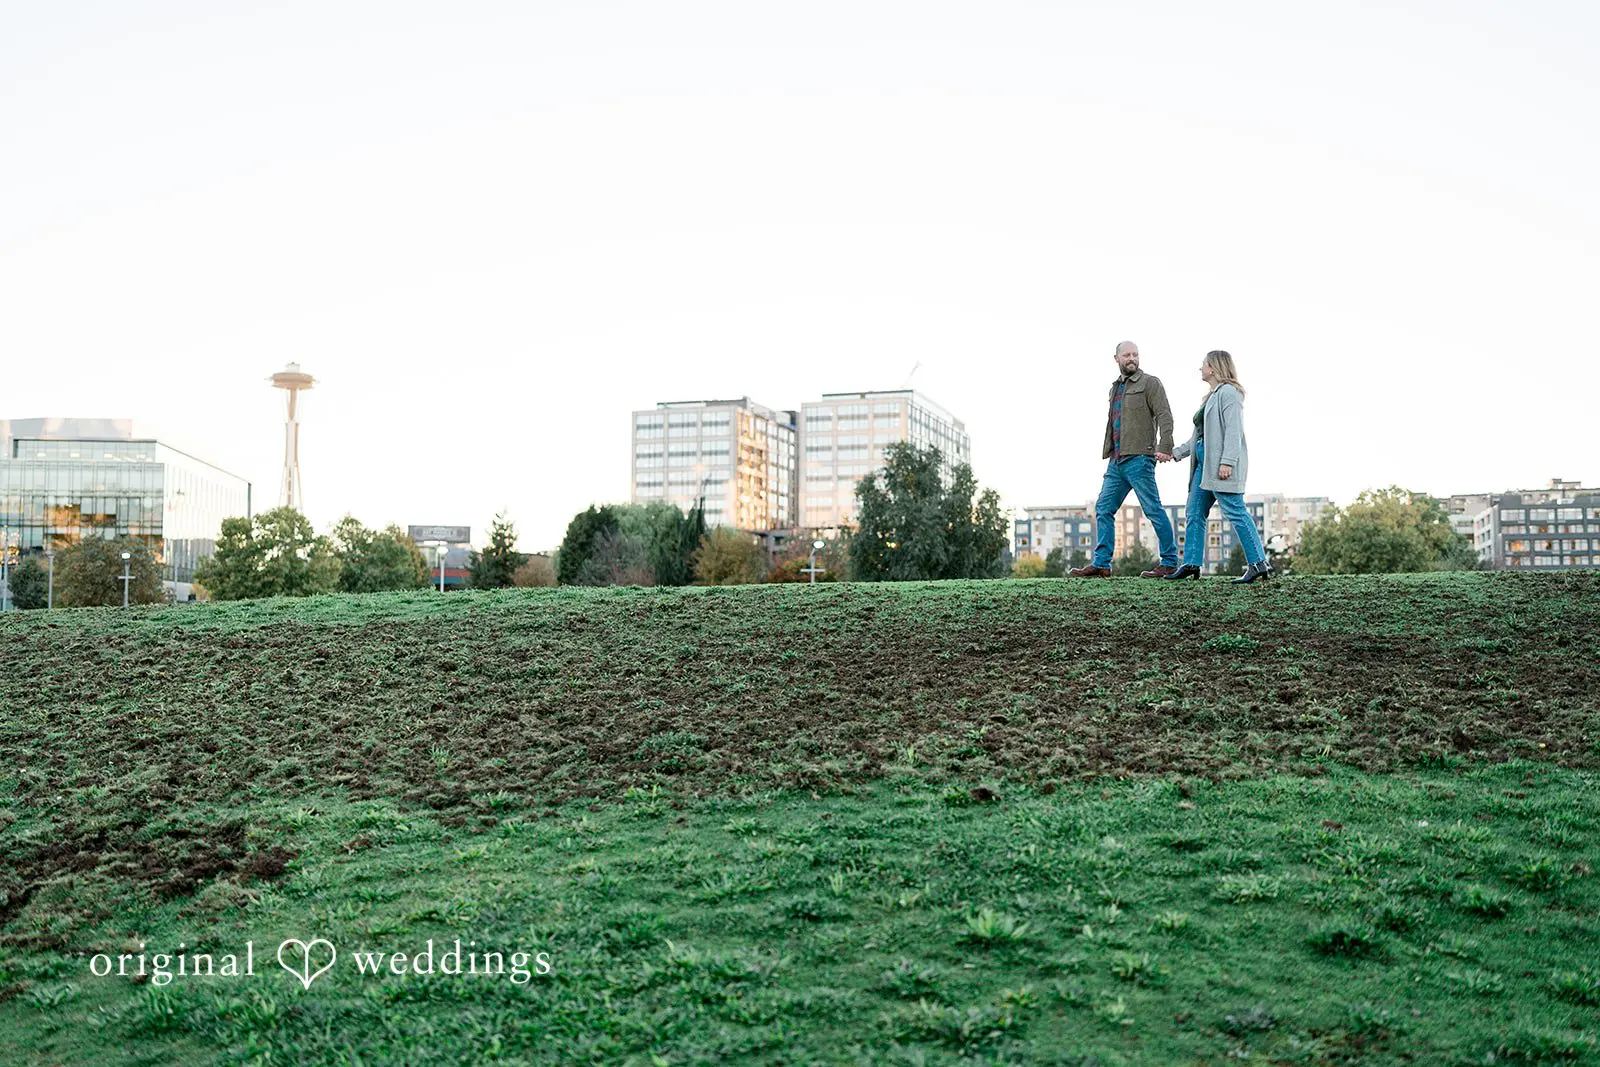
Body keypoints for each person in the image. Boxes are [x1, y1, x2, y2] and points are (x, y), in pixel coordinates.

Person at [1069, 340, 1180, 578]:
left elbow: (1164, 415)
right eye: (1127, 355)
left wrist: (1165, 446)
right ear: (1117, 359)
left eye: (1135, 354)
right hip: (1116, 461)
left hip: (1140, 458)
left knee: (1152, 509)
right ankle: (1101, 563)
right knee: (1103, 508)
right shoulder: (1115, 388)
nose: (1132, 358)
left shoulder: (1151, 383)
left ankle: (1170, 561)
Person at [1163, 350, 1272, 583]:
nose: (1200, 368)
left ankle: (1258, 563)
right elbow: (1199, 437)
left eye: (1203, 364)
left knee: (1235, 510)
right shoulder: (1210, 397)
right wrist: (1175, 454)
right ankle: (1191, 563)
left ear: (1213, 367)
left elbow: (1234, 430)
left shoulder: (1229, 393)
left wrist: (1227, 462)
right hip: (1204, 464)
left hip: (1220, 464)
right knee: (1194, 512)